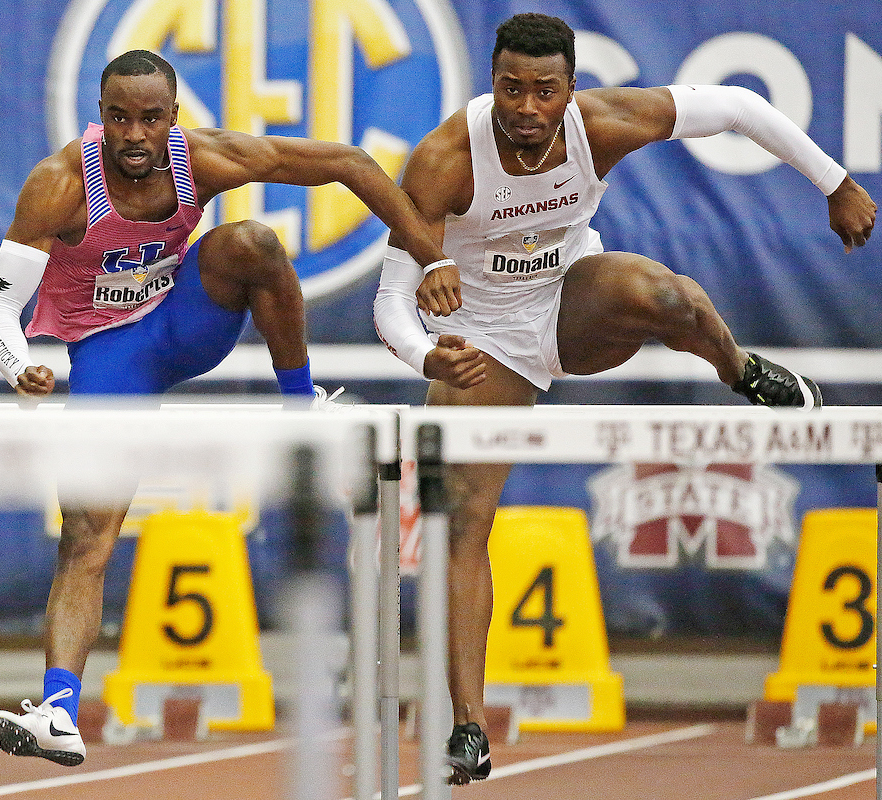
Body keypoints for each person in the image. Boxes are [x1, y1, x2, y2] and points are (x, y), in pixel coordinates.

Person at [374, 12, 876, 785]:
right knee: (465, 518)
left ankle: (738, 370)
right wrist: (428, 351)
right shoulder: (446, 160)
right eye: (512, 89)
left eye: (546, 92)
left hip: (574, 304)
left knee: (673, 299)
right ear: (493, 86)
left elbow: (742, 108)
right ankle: (468, 724)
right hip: (484, 347)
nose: (528, 110)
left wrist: (836, 183)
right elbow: (391, 304)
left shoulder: (603, 125)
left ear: (573, 92)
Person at [0, 49, 456, 766]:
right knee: (85, 535)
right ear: (100, 117)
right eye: (119, 119)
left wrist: (432, 258)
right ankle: (60, 710)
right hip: (113, 356)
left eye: (150, 119)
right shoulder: (58, 185)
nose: (134, 135)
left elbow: (351, 164)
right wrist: (21, 365)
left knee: (251, 243)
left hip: (184, 321)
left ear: (175, 119)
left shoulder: (201, 159)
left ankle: (303, 413)